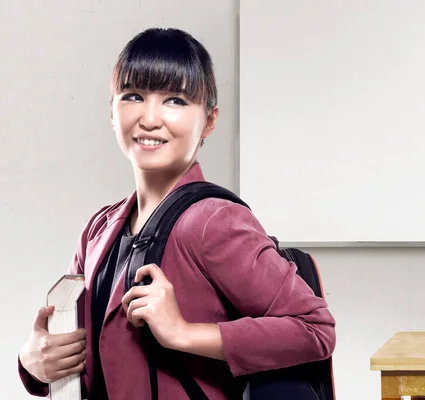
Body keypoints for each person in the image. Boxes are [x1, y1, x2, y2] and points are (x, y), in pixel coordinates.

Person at [17, 27, 336, 400]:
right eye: (133, 96)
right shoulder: (97, 230)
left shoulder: (213, 221)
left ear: (210, 120)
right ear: (112, 111)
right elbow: (98, 371)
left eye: (175, 101)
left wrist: (182, 333)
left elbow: (315, 329)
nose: (150, 119)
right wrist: (34, 363)